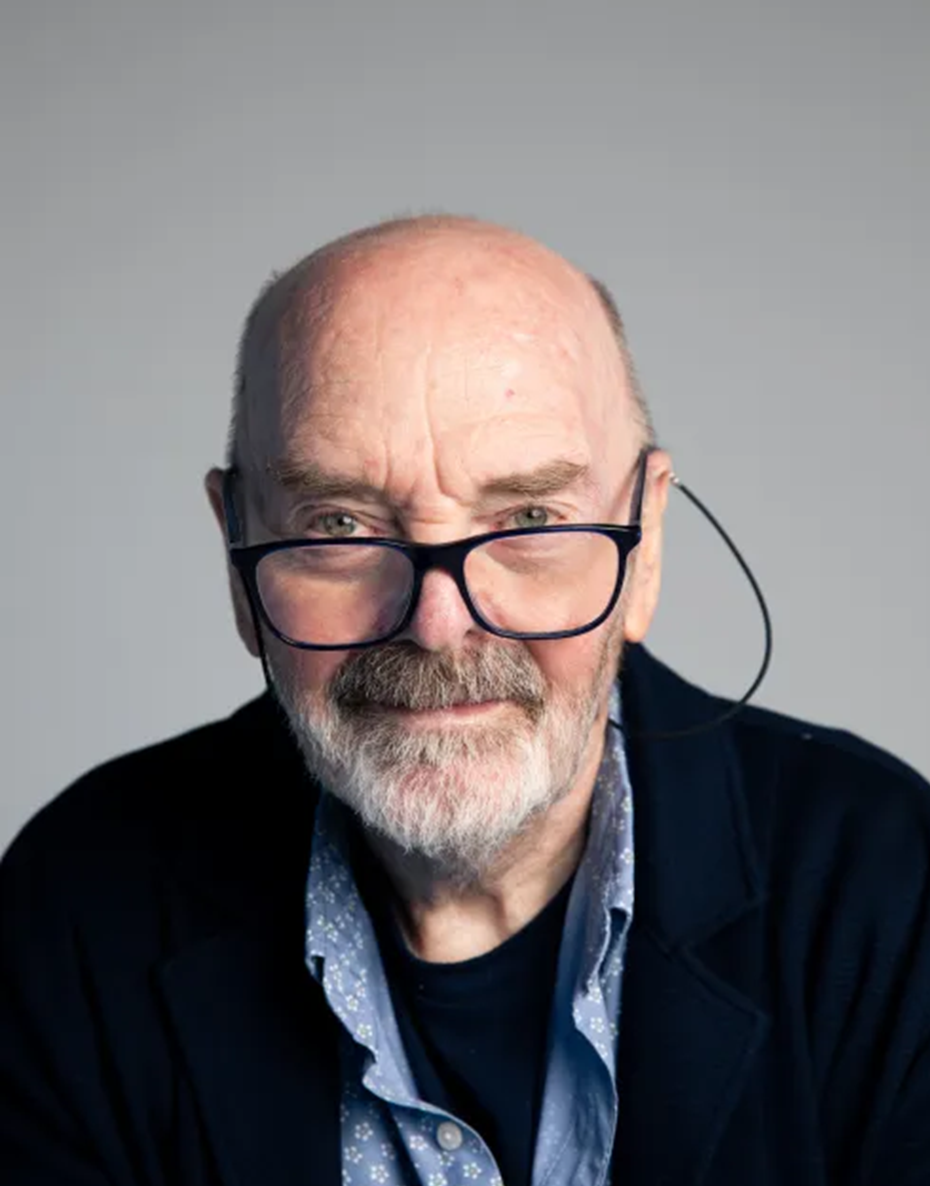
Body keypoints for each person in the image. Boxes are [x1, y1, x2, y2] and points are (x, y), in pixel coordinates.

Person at [2, 215, 929, 1186]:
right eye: (341, 524)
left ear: (646, 541)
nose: (438, 626)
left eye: (528, 517)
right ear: (237, 553)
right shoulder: (76, 911)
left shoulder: (886, 888)